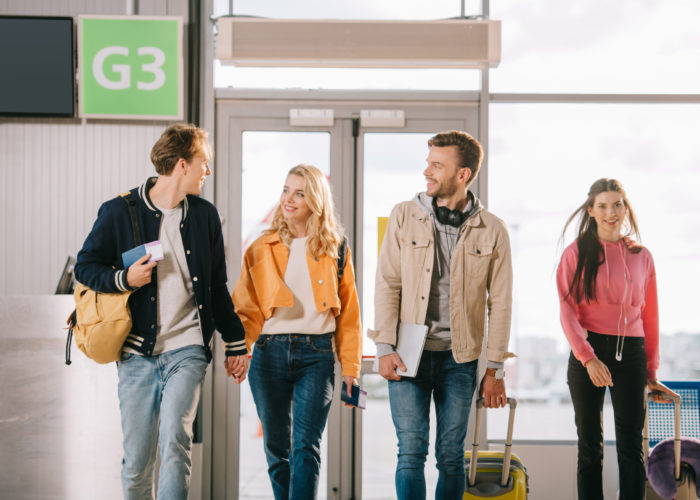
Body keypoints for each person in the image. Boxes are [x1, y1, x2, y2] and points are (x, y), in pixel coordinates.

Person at [74, 123, 249, 499]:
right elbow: (85, 267)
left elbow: (216, 288)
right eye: (205, 162)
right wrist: (124, 278)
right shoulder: (119, 211)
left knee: (175, 441)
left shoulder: (204, 216)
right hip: (136, 353)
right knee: (137, 460)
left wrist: (236, 342)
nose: (209, 171)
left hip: (186, 347)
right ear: (182, 164)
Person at [369, 130, 515, 500]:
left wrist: (495, 370)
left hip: (460, 359)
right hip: (407, 354)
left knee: (451, 456)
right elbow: (387, 282)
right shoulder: (405, 215)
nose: (427, 172)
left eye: (437, 165)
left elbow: (501, 302)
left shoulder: (492, 229)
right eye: (428, 162)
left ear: (463, 174)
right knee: (410, 453)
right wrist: (384, 347)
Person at [233, 164, 362, 500]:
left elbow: (349, 315)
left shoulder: (335, 248)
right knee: (277, 448)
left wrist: (351, 369)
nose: (289, 199)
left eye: (300, 193)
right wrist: (239, 351)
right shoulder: (262, 246)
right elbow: (245, 308)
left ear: (315, 200)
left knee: (306, 446)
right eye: (286, 190)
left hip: (316, 355)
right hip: (268, 353)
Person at [557, 178, 678, 500]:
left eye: (617, 204)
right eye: (603, 206)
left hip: (633, 353)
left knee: (630, 446)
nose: (611, 212)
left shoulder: (642, 256)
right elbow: (567, 310)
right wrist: (588, 357)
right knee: (590, 446)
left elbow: (650, 317)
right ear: (591, 210)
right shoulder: (576, 252)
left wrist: (651, 372)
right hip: (590, 351)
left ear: (626, 208)